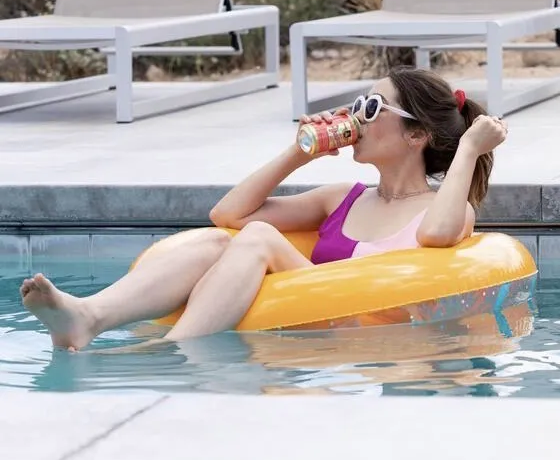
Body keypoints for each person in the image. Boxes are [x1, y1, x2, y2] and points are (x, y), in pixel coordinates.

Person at [20, 67, 508, 351]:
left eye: (371, 109)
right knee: (221, 241)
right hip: (306, 317)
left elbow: (437, 237)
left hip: (363, 333)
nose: (355, 117)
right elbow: (227, 215)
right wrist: (300, 152)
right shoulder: (343, 198)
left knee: (258, 239)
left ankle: (168, 352)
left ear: (417, 134)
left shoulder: (444, 211)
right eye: (358, 104)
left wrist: (468, 148)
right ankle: (91, 315)